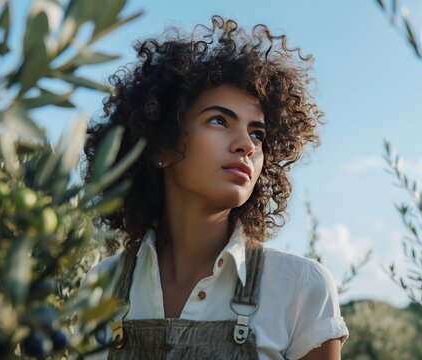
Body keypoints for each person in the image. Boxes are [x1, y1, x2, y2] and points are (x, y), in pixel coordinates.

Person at [81, 15, 349, 359]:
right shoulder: (100, 287)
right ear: (162, 146)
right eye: (219, 120)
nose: (246, 145)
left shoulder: (301, 287)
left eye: (258, 133)